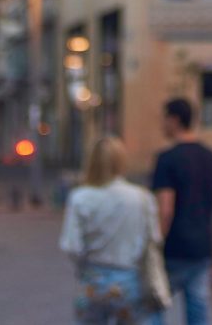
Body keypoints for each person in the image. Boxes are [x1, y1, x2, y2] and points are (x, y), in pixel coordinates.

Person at [60, 136, 161, 324]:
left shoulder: (80, 197)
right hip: (129, 279)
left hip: (93, 280)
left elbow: (72, 246)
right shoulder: (142, 198)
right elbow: (153, 238)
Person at [151, 98, 212, 325]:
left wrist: (156, 245)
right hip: (202, 248)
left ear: (174, 120)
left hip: (173, 248)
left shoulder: (166, 159)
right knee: (198, 311)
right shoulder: (211, 156)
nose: (162, 125)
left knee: (155, 304)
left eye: (164, 119)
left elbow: (165, 209)